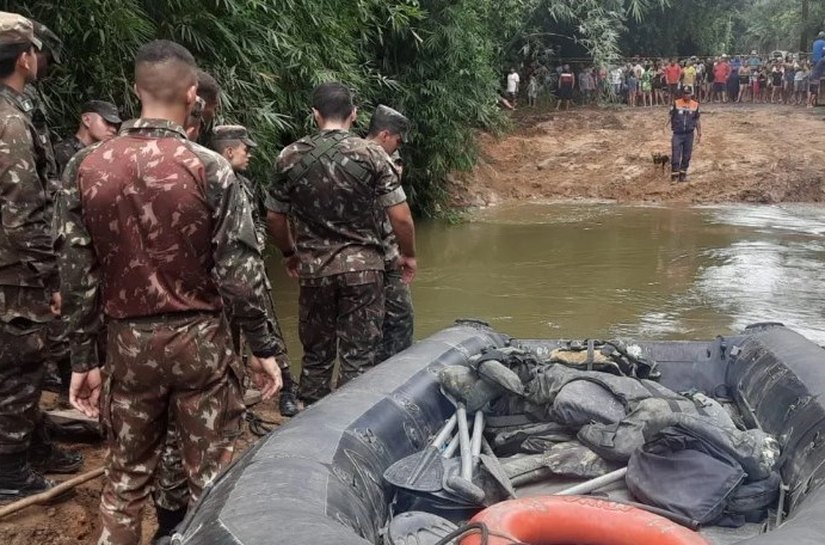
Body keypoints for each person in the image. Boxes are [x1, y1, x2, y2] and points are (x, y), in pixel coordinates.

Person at [55, 39, 283, 545]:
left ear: (136, 89)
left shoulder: (86, 166)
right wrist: (265, 349)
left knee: (125, 479)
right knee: (213, 480)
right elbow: (239, 277)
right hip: (201, 343)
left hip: (127, 346)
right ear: (192, 93)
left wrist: (81, 358)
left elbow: (76, 275)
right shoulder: (211, 167)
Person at [266, 82, 416, 406]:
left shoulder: (289, 157)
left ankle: (309, 429)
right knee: (359, 358)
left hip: (314, 271)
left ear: (314, 114)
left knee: (317, 355)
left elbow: (274, 218)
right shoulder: (374, 155)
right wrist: (409, 256)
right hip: (365, 271)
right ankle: (350, 427)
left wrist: (290, 253)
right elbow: (401, 218)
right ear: (354, 114)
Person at [0, 12, 86, 501]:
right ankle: (11, 471)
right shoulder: (10, 122)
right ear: (25, 57)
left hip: (10, 266)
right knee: (21, 368)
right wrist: (50, 280)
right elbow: (23, 212)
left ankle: (33, 447)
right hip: (15, 272)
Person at [210, 124, 298, 415]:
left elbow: (258, 220)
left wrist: (257, 242)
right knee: (224, 338)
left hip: (251, 273)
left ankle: (287, 388)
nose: (249, 155)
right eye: (246, 149)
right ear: (229, 150)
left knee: (267, 328)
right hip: (217, 277)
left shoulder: (245, 184)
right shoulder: (204, 182)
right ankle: (228, 397)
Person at [366, 106, 416, 364]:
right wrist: (409, 255)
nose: (398, 147)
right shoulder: (379, 160)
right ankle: (395, 374)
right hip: (385, 255)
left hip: (357, 259)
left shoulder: (349, 155)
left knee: (367, 325)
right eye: (397, 141)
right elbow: (401, 218)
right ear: (385, 134)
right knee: (400, 319)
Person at [53, 100, 121, 174]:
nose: (114, 129)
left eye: (115, 125)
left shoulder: (106, 157)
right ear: (87, 120)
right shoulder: (62, 153)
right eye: (107, 122)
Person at [665, 86, 702, 183]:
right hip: (677, 133)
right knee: (675, 154)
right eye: (685, 93)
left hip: (689, 134)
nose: (687, 95)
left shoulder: (695, 105)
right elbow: (670, 115)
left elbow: (697, 119)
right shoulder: (676, 103)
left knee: (687, 156)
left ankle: (683, 175)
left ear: (691, 94)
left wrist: (699, 133)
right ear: (682, 94)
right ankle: (674, 176)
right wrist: (665, 126)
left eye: (688, 93)